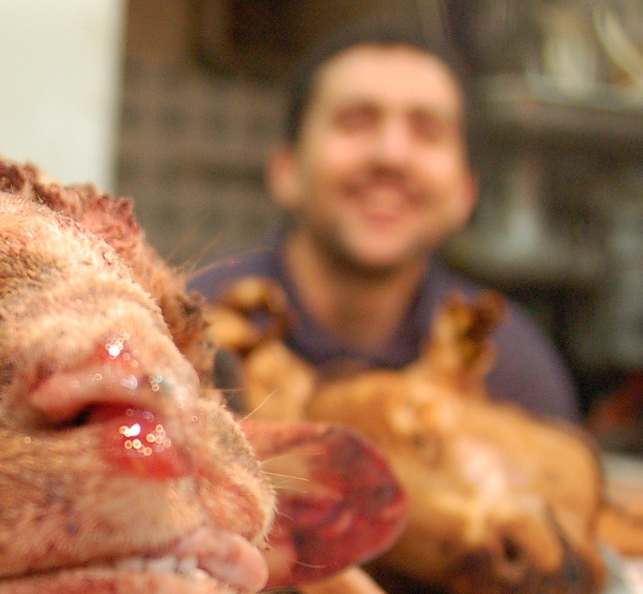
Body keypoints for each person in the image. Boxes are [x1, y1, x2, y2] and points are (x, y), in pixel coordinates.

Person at [189, 24, 581, 422]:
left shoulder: (511, 370)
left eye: (427, 131)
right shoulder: (186, 333)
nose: (391, 155)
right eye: (356, 122)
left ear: (465, 193)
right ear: (286, 170)